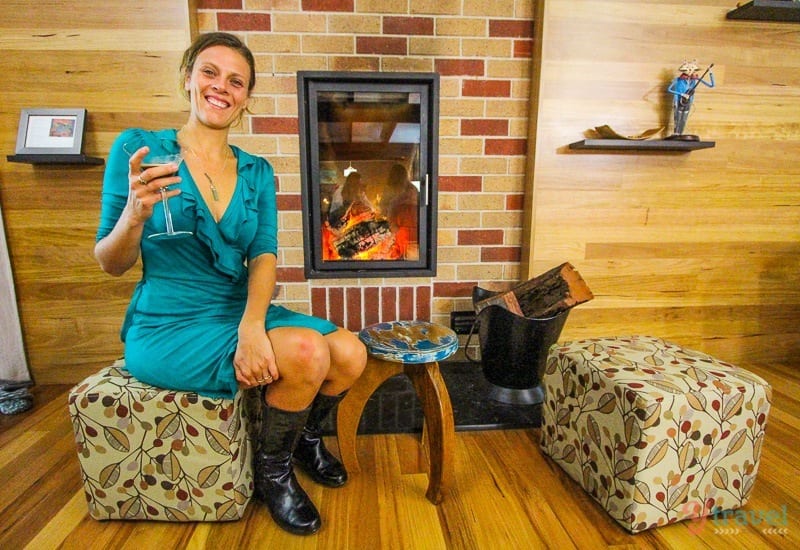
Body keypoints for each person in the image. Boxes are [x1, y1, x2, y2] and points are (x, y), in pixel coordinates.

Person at [94, 32, 367, 536]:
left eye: (236, 81)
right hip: (170, 322)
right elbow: (110, 262)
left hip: (237, 307)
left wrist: (252, 325)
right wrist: (133, 216)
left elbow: (264, 255)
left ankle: (303, 437)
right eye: (210, 72)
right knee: (308, 353)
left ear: (246, 98)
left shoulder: (257, 172)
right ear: (188, 79)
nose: (222, 86)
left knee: (350, 353)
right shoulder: (138, 149)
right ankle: (274, 475)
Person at [667, 59, 714, 138]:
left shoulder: (694, 80)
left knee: (684, 118)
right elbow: (669, 89)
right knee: (677, 117)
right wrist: (681, 94)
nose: (690, 72)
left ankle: (681, 133)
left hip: (688, 101)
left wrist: (710, 72)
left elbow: (711, 85)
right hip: (679, 101)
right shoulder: (678, 80)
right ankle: (676, 133)